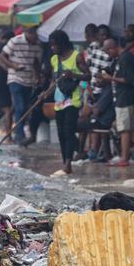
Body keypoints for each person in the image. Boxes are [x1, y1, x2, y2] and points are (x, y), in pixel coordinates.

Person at [46, 30, 88, 174]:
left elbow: (88, 76)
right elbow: (54, 81)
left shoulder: (76, 56)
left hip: (73, 100)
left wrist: (73, 74)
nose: (52, 48)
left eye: (55, 45)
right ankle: (65, 161)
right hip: (59, 101)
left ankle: (68, 163)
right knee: (61, 133)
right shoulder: (54, 59)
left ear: (62, 43)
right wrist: (46, 93)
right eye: (51, 45)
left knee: (69, 131)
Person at [102, 38, 134, 166]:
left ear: (112, 48)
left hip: (126, 98)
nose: (108, 55)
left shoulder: (125, 58)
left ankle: (124, 157)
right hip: (121, 97)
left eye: (108, 52)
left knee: (124, 129)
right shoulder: (119, 59)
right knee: (130, 127)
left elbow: (129, 79)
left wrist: (111, 78)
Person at [0, 26, 44, 145]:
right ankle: (20, 136)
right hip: (15, 78)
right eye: (34, 36)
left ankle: (20, 133)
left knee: (25, 109)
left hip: (29, 80)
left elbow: (36, 62)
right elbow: (2, 56)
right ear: (28, 33)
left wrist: (38, 76)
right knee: (20, 107)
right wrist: (13, 66)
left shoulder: (37, 44)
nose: (36, 38)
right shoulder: (15, 41)